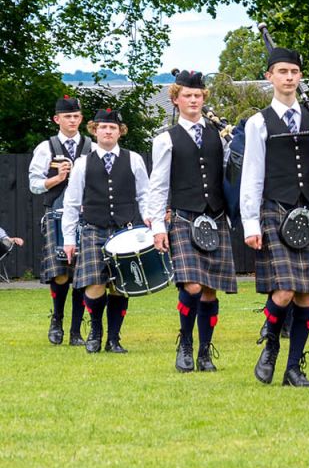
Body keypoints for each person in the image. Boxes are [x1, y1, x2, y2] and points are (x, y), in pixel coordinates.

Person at [240, 44, 309, 388]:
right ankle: (271, 345)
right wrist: (251, 223)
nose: (289, 77)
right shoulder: (258, 122)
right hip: (275, 209)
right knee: (284, 291)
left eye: (294, 72)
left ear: (300, 76)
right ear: (270, 76)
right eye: (282, 71)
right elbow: (252, 173)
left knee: (306, 295)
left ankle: (294, 367)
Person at [144, 71, 235, 372]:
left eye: (198, 95)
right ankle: (185, 343)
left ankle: (205, 351)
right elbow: (158, 186)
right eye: (187, 96)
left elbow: (230, 174)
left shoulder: (219, 136)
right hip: (184, 217)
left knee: (209, 289)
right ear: (176, 100)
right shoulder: (165, 139)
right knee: (192, 286)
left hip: (216, 216)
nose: (193, 100)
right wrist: (158, 227)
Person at [61, 108, 149, 354]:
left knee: (121, 286)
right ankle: (96, 330)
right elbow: (71, 203)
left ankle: (114, 338)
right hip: (93, 229)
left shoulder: (134, 159)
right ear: (94, 130)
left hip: (125, 231)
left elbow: (145, 194)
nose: (108, 131)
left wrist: (150, 222)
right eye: (103, 127)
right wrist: (69, 238)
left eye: (113, 128)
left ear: (120, 132)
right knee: (94, 284)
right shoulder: (82, 164)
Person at [29, 96, 88, 345]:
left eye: (76, 116)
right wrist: (58, 178)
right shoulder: (46, 147)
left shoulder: (91, 147)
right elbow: (34, 185)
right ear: (57, 119)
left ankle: (76, 331)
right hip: (56, 214)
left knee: (83, 275)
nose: (72, 120)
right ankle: (57, 320)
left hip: (86, 217)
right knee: (60, 274)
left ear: (81, 118)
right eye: (67, 116)